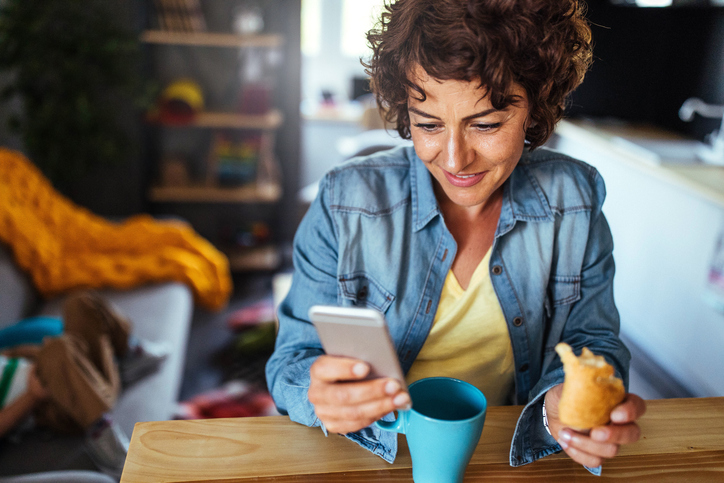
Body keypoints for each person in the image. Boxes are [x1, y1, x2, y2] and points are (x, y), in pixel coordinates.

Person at [266, 0, 646, 474]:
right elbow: (291, 361)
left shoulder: (575, 199)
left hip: (507, 457)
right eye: (427, 124)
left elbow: (594, 341)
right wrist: (316, 392)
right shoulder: (345, 201)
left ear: (536, 104)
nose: (454, 159)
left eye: (485, 125)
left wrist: (562, 404)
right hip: (370, 456)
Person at [0, 291, 169, 478]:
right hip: (54, 405)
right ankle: (101, 430)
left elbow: (9, 356)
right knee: (57, 351)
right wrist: (32, 396)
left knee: (79, 302)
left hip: (70, 373)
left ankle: (129, 353)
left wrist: (39, 351)